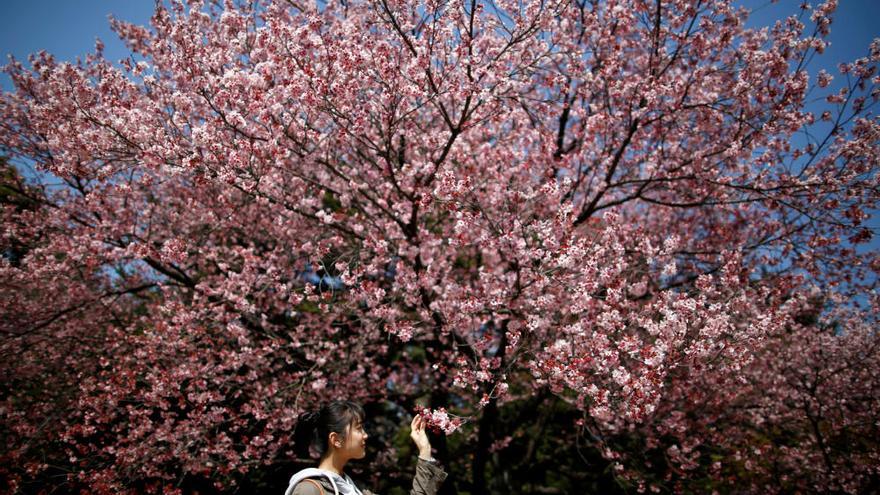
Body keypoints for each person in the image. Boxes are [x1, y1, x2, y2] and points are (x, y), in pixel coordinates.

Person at [284, 400, 447, 495]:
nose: (365, 435)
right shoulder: (308, 489)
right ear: (336, 440)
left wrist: (424, 451)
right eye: (359, 428)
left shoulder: (354, 490)